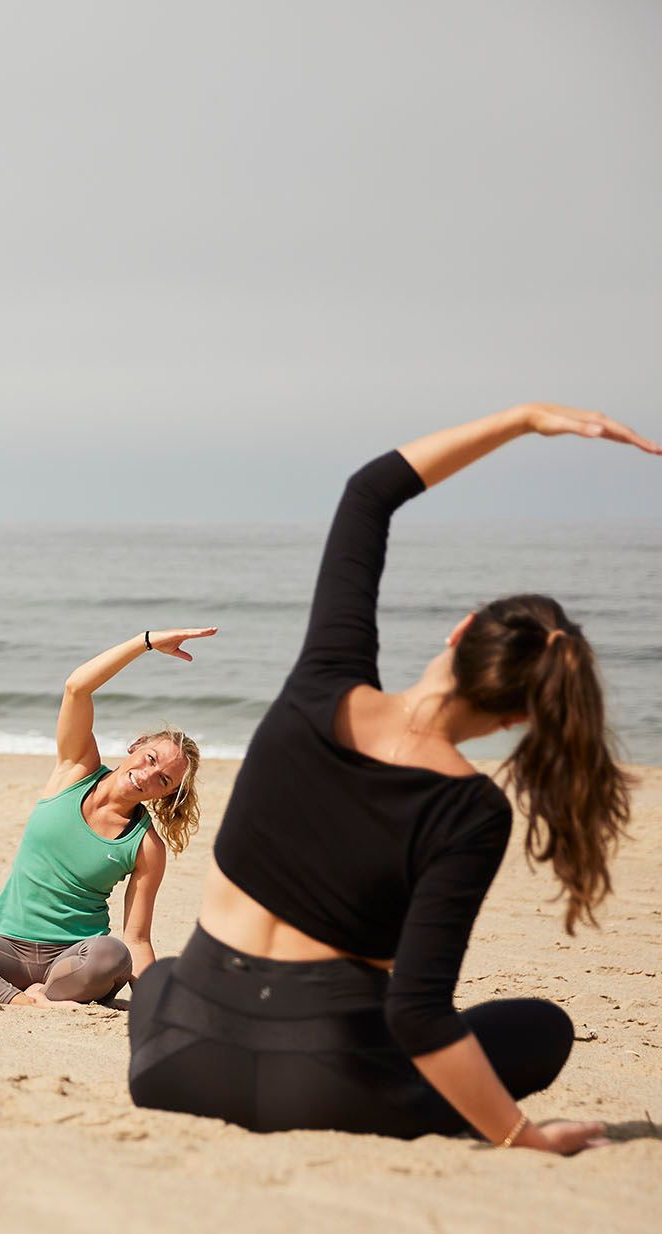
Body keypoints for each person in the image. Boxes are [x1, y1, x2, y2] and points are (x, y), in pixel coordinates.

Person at [128, 404, 652, 1151]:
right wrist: (521, 1136)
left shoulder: (320, 683)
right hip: (327, 1087)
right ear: (519, 717)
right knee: (544, 1028)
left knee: (164, 975)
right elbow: (418, 1013)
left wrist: (527, 419)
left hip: (175, 1062)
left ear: (461, 630)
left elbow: (369, 492)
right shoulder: (472, 810)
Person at [0, 631, 211, 1008]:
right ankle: (17, 999)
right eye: (151, 759)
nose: (147, 775)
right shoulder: (75, 769)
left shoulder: (145, 845)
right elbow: (77, 688)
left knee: (113, 954)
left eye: (163, 780)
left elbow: (137, 939)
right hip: (6, 950)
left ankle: (42, 995)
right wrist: (144, 642)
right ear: (136, 745)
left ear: (165, 795)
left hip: (75, 963)